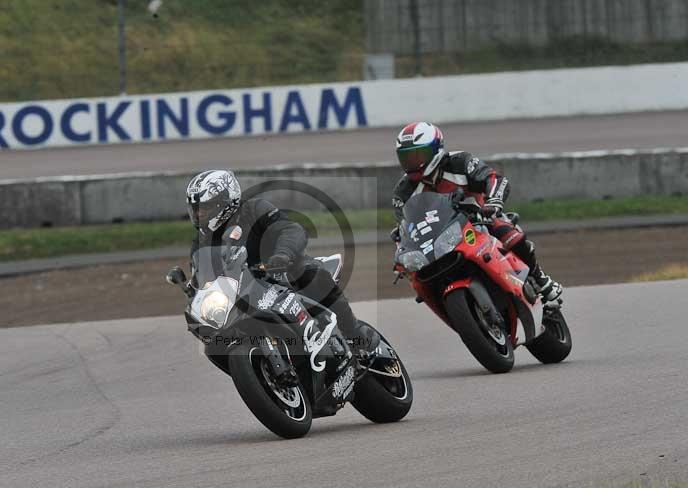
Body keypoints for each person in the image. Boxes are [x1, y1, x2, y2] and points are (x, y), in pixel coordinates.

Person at [185, 169, 379, 357]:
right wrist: (195, 290)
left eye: (205, 208)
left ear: (225, 201)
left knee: (311, 275)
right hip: (245, 292)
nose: (199, 215)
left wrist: (282, 255)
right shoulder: (201, 241)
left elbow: (290, 229)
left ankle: (354, 332)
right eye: (196, 210)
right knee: (214, 342)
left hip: (282, 270)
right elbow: (202, 273)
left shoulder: (254, 210)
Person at [391, 122, 563, 302]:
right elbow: (404, 226)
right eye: (406, 158)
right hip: (438, 239)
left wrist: (494, 201)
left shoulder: (460, 162)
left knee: (509, 233)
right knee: (419, 279)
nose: (411, 163)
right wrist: (402, 250)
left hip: (478, 221)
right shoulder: (403, 191)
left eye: (417, 155)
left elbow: (494, 179)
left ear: (436, 149)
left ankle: (539, 278)